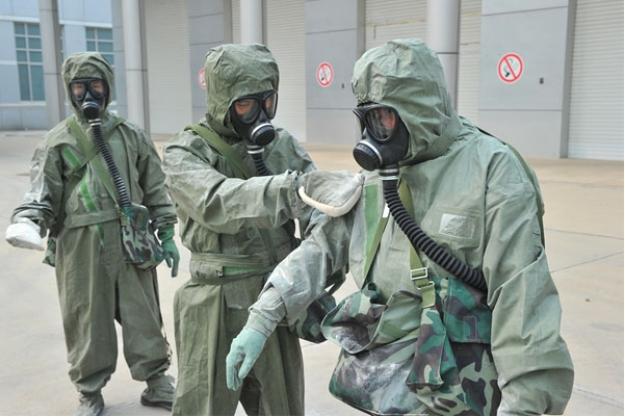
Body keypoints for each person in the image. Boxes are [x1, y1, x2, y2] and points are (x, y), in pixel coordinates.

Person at [226, 39, 575, 415]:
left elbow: (523, 305)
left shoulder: (493, 173)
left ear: (418, 109)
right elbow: (322, 247)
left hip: (457, 389)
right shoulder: (382, 173)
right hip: (391, 383)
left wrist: (525, 408)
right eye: (367, 120)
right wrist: (261, 319)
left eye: (383, 118)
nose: (373, 135)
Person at [5, 52, 179, 416]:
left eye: (95, 85)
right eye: (80, 86)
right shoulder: (58, 141)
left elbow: (155, 187)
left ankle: (157, 380)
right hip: (80, 245)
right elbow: (41, 192)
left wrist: (165, 233)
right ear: (70, 91)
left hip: (130, 239)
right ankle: (89, 389)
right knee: (87, 317)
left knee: (143, 313)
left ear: (108, 87)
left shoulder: (131, 136)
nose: (88, 94)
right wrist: (29, 220)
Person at [161, 43, 317, 415]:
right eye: (247, 104)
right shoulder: (186, 152)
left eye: (268, 102)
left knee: (283, 406)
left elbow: (319, 214)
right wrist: (286, 190)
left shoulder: (284, 148)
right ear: (222, 100)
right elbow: (216, 201)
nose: (260, 114)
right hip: (212, 301)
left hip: (270, 297)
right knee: (202, 405)